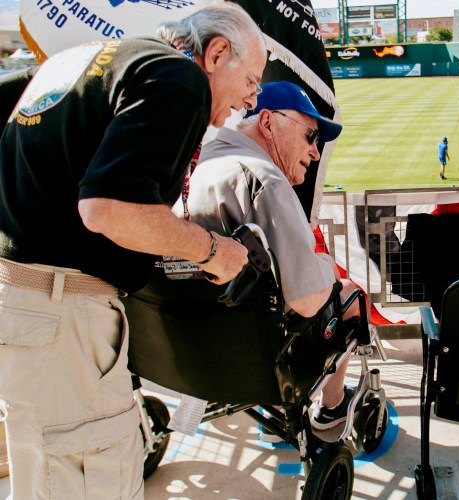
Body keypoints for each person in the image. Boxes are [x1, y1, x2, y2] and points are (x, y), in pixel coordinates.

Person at [0, 3, 266, 498]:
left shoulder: (85, 60)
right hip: (63, 314)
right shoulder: (181, 77)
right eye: (251, 81)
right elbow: (107, 210)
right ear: (216, 53)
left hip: (23, 308)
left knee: (46, 479)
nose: (250, 101)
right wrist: (213, 251)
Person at [185, 81, 362, 432]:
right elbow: (308, 301)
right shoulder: (265, 179)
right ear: (267, 123)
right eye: (311, 136)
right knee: (348, 293)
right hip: (262, 354)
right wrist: (327, 267)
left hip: (202, 344)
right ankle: (332, 406)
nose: (315, 153)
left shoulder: (205, 160)